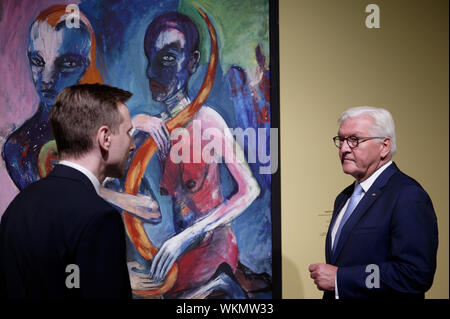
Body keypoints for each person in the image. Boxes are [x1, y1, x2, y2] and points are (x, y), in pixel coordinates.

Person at [127, 12, 260, 298]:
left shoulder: (208, 120)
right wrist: (132, 125)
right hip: (180, 257)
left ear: (192, 61)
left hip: (213, 254)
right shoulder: (155, 128)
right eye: (151, 57)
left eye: (167, 58)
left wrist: (184, 238)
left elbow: (249, 190)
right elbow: (103, 170)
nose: (152, 72)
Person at [0, 84, 135, 299]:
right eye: (128, 132)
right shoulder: (99, 218)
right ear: (105, 138)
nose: (132, 145)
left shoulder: (18, 208)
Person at [309, 106, 438, 299]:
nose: (344, 149)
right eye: (341, 140)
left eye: (354, 140)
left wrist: (340, 278)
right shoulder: (344, 197)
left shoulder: (408, 195)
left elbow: (415, 275)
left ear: (384, 146)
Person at [2, 5, 102, 190]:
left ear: (86, 67)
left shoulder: (104, 135)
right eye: (38, 62)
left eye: (67, 63)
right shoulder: (18, 148)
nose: (47, 79)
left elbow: (148, 209)